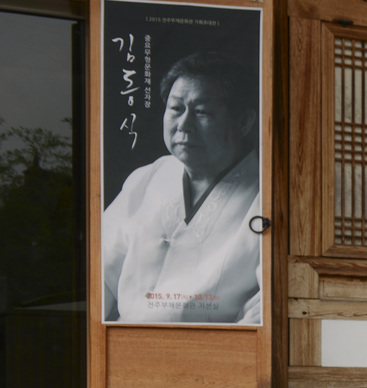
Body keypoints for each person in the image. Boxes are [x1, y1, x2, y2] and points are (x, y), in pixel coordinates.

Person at [101, 52, 263, 324]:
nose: (184, 126)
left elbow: (264, 309)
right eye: (176, 109)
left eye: (202, 112)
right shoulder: (147, 177)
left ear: (244, 122)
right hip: (124, 341)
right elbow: (99, 273)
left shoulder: (268, 194)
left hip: (210, 348)